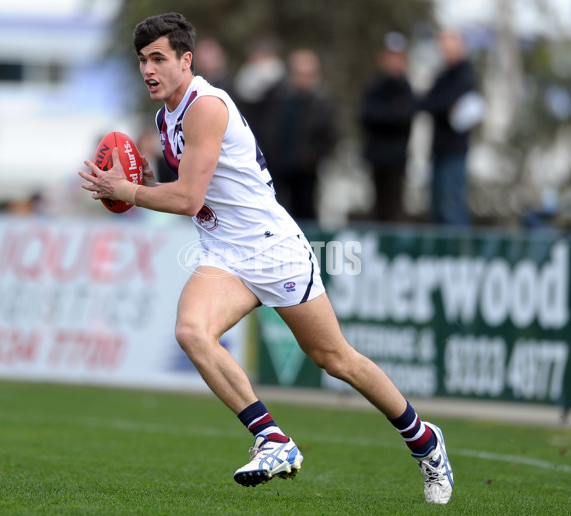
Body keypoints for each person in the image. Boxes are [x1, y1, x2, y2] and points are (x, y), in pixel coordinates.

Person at [78, 12, 454, 504]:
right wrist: (145, 185)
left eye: (158, 58)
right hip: (225, 253)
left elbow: (188, 199)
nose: (148, 69)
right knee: (192, 331)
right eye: (142, 60)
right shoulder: (164, 117)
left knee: (336, 359)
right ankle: (271, 438)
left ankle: (425, 442)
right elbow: (198, 193)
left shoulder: (205, 106)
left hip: (272, 249)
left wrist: (126, 189)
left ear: (185, 60)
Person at [263, 48, 339, 222]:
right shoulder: (277, 98)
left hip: (306, 175)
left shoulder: (323, 102)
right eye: (298, 73)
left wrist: (310, 159)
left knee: (305, 215)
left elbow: (331, 136)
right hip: (276, 170)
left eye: (307, 74)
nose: (302, 78)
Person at [417, 29, 480, 226]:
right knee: (437, 209)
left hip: (454, 151)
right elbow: (428, 102)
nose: (444, 52)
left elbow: (440, 102)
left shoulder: (465, 75)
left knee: (451, 207)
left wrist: (441, 104)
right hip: (439, 150)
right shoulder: (443, 74)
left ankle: (459, 255)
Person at [359, 32, 414, 223]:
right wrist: (391, 114)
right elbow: (366, 116)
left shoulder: (405, 88)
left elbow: (404, 117)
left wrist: (385, 116)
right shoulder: (375, 86)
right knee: (378, 208)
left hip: (396, 160)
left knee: (394, 208)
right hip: (376, 158)